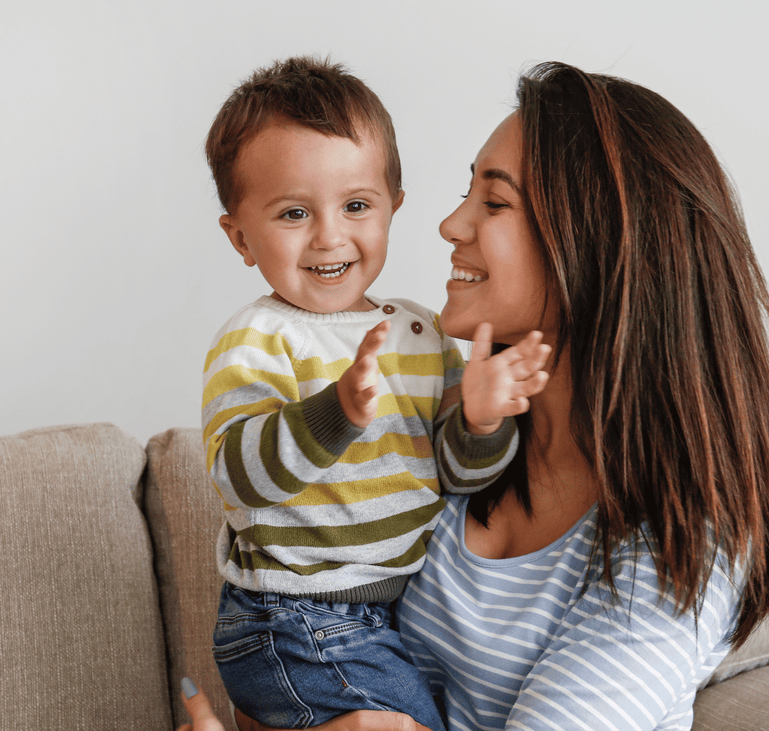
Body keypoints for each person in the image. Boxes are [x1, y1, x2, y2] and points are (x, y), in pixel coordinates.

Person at [189, 60, 769, 731]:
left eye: (494, 201)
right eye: (464, 192)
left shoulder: (679, 547)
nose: (450, 225)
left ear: (591, 243)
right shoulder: (450, 446)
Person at [201, 57, 551, 731]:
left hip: (383, 614)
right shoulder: (257, 338)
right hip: (292, 615)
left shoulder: (419, 332)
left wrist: (481, 420)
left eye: (356, 205)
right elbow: (240, 476)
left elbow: (454, 473)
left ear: (394, 205)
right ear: (240, 235)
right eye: (294, 212)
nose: (331, 236)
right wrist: (336, 412)